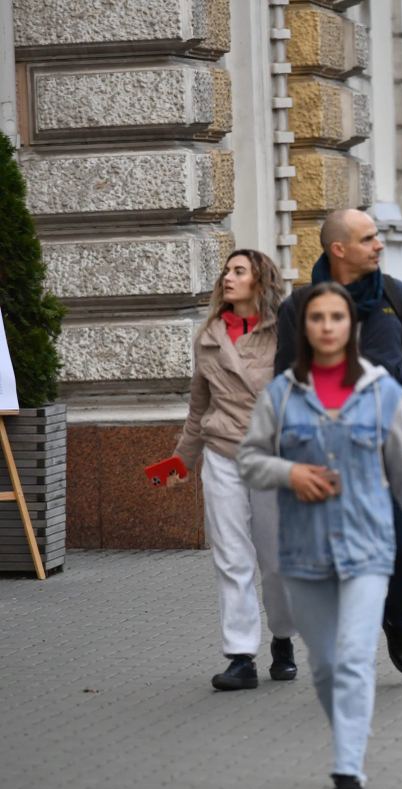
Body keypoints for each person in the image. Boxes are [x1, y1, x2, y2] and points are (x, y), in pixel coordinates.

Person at [240, 282, 402, 789]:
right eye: (317, 318)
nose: (327, 326)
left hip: (367, 548)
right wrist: (290, 472)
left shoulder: (383, 394)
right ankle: (346, 743)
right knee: (328, 666)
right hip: (304, 554)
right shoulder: (282, 395)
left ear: (352, 328)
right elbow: (250, 461)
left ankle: (348, 767)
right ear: (304, 329)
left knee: (355, 659)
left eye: (337, 317)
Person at [275, 208, 402, 678]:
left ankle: (396, 618)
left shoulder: (396, 296)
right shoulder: (299, 309)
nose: (380, 245)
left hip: (389, 455)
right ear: (339, 250)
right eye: (369, 238)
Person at [157, 249, 296, 690]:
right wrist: (183, 456)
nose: (228, 277)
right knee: (232, 559)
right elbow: (199, 407)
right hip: (221, 455)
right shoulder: (210, 336)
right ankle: (240, 655)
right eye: (227, 271)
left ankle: (283, 637)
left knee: (274, 561)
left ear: (261, 280)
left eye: (239, 270)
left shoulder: (284, 335)